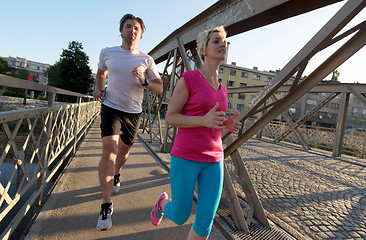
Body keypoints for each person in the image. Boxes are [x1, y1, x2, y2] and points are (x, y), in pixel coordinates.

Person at [151, 26, 242, 240]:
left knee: (204, 223)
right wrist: (202, 120)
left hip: (214, 159)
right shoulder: (189, 78)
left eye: (224, 42)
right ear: (203, 49)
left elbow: (211, 119)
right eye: (216, 41)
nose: (223, 45)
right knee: (181, 216)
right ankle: (162, 203)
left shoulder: (223, 88)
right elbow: (170, 117)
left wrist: (224, 124)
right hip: (186, 157)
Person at [93, 13, 163, 231]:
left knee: (123, 152)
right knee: (109, 150)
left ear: (140, 35)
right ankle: (106, 205)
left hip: (133, 112)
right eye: (128, 26)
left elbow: (159, 87)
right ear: (121, 30)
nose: (132, 31)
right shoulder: (107, 52)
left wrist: (144, 81)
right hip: (111, 107)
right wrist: (98, 88)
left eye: (136, 29)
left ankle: (116, 174)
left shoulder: (146, 59)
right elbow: (101, 73)